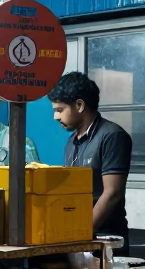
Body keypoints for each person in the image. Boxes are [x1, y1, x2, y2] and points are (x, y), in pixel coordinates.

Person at [48, 72, 132, 247]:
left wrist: (81, 232)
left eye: (59, 110)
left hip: (105, 238)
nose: (55, 117)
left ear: (79, 105)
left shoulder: (112, 136)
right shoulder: (71, 142)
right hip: (78, 236)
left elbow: (112, 194)